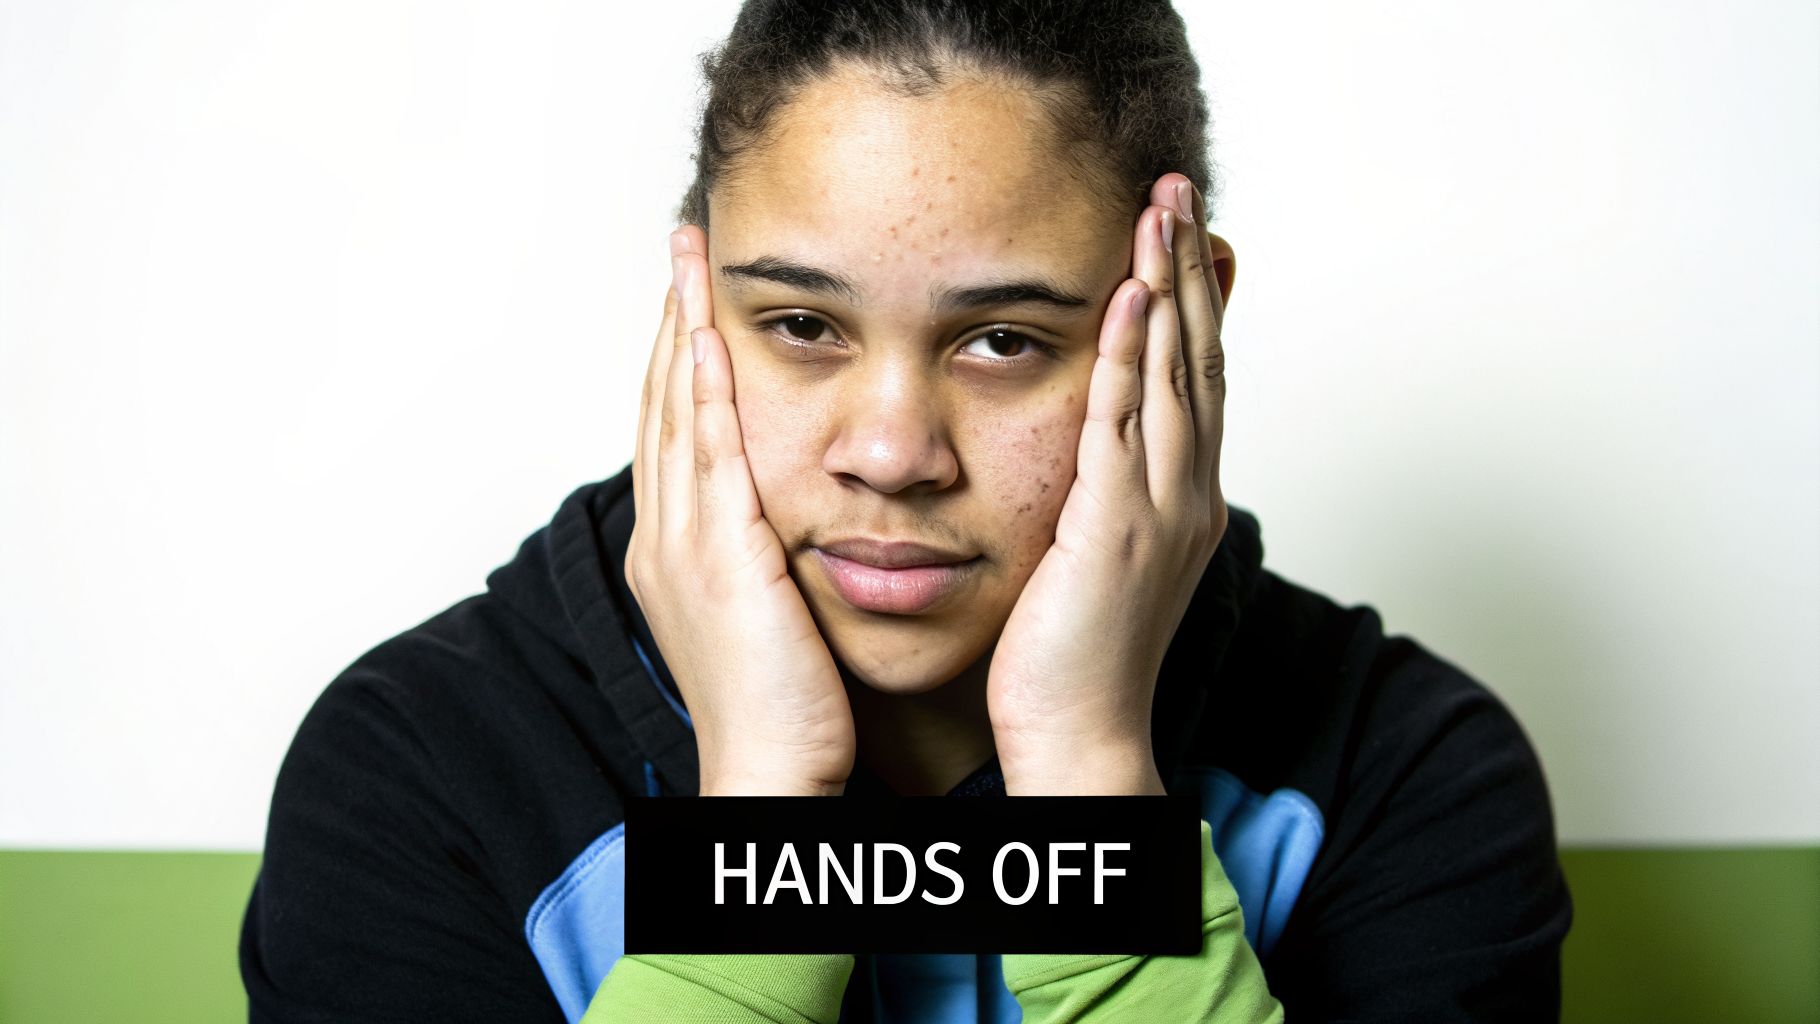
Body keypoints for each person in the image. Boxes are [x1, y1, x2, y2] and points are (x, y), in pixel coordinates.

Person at [240, 1, 1573, 1021]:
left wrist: (1085, 776)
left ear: (1189, 317)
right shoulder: (423, 773)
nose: (890, 452)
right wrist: (759, 815)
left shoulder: (1402, 778)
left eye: (1002, 341)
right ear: (694, 305)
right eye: (803, 322)